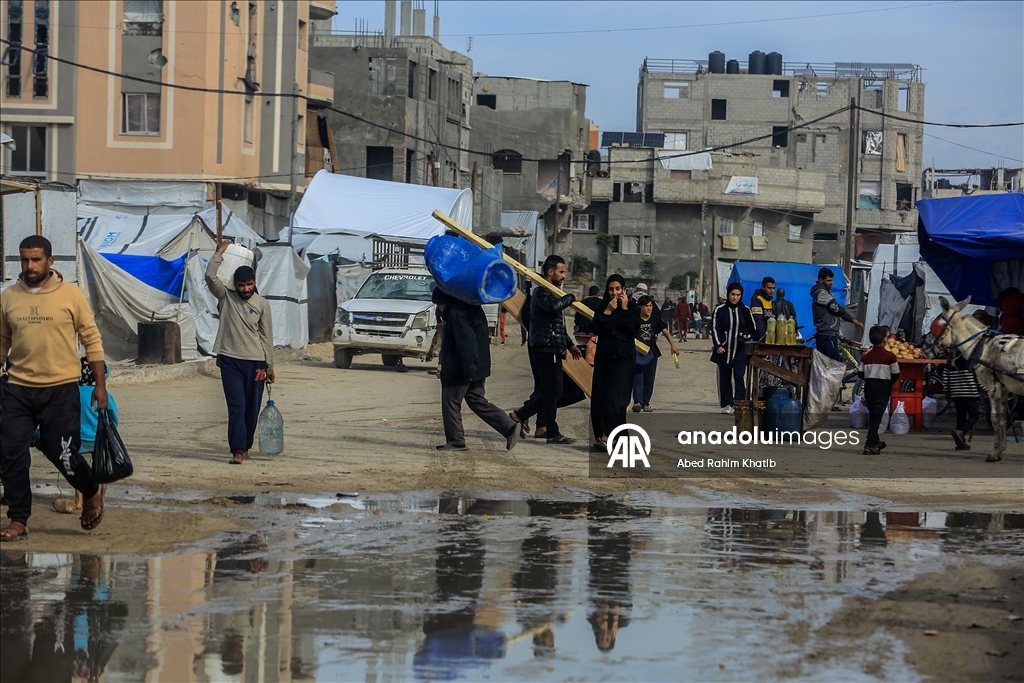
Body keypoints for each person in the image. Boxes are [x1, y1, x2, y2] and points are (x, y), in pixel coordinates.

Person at [0, 235, 108, 541]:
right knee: (10, 451)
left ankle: (90, 488)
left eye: (36, 259)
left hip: (60, 389)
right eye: (25, 259)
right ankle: (19, 518)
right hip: (18, 387)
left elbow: (92, 339)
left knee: (62, 452)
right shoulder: (9, 297)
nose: (30, 265)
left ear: (50, 261)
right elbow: (3, 341)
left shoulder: (71, 295)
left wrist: (100, 386)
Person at [206, 239, 275, 465]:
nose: (245, 289)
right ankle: (237, 449)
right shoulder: (226, 297)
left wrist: (270, 366)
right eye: (241, 285)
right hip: (230, 361)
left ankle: (245, 446)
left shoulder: (262, 304)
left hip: (256, 363)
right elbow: (210, 276)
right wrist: (219, 252)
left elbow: (266, 337)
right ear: (234, 285)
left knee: (251, 408)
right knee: (237, 406)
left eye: (249, 284)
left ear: (255, 283)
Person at [432, 288, 520, 452]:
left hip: (462, 369)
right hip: (477, 367)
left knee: (451, 402)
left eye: (438, 305)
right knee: (477, 400)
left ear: (443, 302)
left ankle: (456, 441)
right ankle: (509, 426)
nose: (438, 308)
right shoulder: (470, 307)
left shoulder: (457, 313)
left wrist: (469, 370)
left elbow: (467, 343)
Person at [510, 256, 582, 445]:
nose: (564, 276)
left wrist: (569, 344)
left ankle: (540, 425)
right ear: (550, 272)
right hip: (546, 347)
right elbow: (553, 308)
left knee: (554, 392)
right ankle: (526, 418)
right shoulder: (541, 292)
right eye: (561, 272)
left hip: (554, 346)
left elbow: (558, 324)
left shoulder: (552, 293)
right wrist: (570, 298)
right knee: (552, 392)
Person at [589, 274, 639, 450]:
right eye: (611, 289)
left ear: (623, 289)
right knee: (601, 397)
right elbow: (596, 328)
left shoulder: (632, 308)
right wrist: (608, 311)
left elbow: (632, 330)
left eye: (618, 289)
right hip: (604, 359)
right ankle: (620, 439)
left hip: (624, 360)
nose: (614, 293)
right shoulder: (602, 307)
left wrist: (624, 309)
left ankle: (607, 436)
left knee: (616, 399)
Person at [710, 283, 755, 414]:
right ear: (728, 294)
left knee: (739, 376)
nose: (735, 298)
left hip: (740, 350)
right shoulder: (720, 310)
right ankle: (727, 404)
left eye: (738, 295)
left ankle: (739, 403)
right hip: (724, 349)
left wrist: (746, 335)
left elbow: (752, 328)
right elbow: (715, 328)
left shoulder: (745, 310)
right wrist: (718, 345)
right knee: (725, 377)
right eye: (733, 294)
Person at [857, 325, 901, 455]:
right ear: (884, 340)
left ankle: (876, 443)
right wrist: (887, 382)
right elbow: (896, 374)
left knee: (873, 416)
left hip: (869, 389)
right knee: (877, 417)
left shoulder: (866, 357)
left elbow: (860, 374)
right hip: (883, 389)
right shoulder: (890, 357)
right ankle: (869, 444)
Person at [632, 295, 678, 412]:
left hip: (651, 354)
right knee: (637, 379)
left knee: (649, 380)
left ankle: (646, 403)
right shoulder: (634, 319)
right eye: (646, 306)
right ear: (640, 307)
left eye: (650, 306)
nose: (649, 308)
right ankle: (637, 402)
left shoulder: (655, 319)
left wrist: (673, 346)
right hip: (637, 354)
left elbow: (666, 332)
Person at [811, 267, 864, 362]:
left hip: (830, 334)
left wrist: (853, 320)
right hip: (826, 334)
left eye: (832, 280)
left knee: (830, 363)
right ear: (821, 280)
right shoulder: (820, 293)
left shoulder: (827, 292)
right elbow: (834, 307)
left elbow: (837, 311)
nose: (831, 283)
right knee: (834, 363)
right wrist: (844, 309)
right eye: (828, 280)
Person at [945, 352, 983, 451]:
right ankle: (961, 431)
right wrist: (984, 389)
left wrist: (946, 392)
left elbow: (946, 379)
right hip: (970, 393)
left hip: (956, 394)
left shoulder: (950, 363)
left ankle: (960, 443)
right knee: (974, 415)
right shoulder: (971, 362)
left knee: (961, 417)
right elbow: (978, 378)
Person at [749, 276, 776, 342]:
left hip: (769, 336)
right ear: (763, 287)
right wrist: (762, 336)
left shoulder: (769, 300)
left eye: (773, 288)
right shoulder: (757, 299)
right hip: (760, 338)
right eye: (769, 288)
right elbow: (757, 319)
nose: (772, 291)